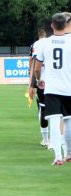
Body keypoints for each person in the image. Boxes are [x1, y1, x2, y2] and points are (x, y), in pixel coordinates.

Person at [35, 13, 71, 166]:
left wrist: (39, 80)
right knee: (69, 121)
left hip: (52, 89)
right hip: (68, 87)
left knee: (54, 122)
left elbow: (37, 68)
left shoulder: (44, 43)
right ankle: (69, 152)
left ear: (52, 25)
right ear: (66, 24)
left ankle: (57, 156)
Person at [28, 25, 52, 147]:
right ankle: (58, 141)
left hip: (42, 81)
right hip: (58, 81)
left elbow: (33, 65)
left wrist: (32, 84)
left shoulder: (36, 45)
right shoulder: (54, 42)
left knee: (43, 109)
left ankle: (45, 139)